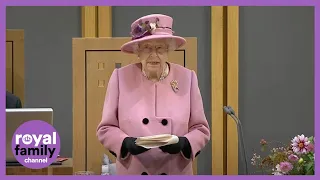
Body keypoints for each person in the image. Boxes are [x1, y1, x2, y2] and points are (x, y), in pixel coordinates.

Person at [96, 14, 210, 175]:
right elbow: (106, 128)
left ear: (169, 51)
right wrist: (124, 143)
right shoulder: (120, 78)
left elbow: (201, 129)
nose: (153, 54)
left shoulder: (188, 78)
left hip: (175, 171)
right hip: (134, 171)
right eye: (147, 48)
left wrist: (185, 144)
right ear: (138, 52)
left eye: (160, 48)